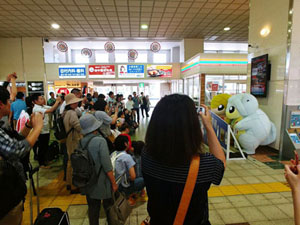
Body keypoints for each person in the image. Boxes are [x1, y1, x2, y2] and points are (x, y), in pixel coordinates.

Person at [142, 94, 226, 225]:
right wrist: (208, 126)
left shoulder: (146, 155)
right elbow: (221, 164)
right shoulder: (203, 164)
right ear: (192, 126)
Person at [0, 85, 44, 225]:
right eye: (8, 101)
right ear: (1, 104)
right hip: (5, 195)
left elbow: (15, 140)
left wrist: (29, 126)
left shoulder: (3, 125)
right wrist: (37, 128)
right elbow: (17, 150)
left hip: (11, 191)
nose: (11, 104)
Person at [79, 114, 118, 225]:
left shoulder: (81, 142)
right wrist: (113, 183)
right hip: (102, 180)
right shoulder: (100, 141)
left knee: (93, 208)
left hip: (88, 181)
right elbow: (107, 165)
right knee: (109, 206)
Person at [113, 135, 145, 206]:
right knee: (143, 180)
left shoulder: (113, 154)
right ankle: (127, 196)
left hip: (113, 185)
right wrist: (128, 179)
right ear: (125, 144)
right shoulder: (127, 157)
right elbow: (133, 176)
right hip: (121, 187)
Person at [32, 93, 61, 168]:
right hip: (41, 131)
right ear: (35, 101)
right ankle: (41, 163)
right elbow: (51, 110)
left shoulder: (42, 106)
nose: (43, 100)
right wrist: (57, 101)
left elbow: (52, 107)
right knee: (42, 147)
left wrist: (58, 102)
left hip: (46, 129)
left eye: (43, 98)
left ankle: (45, 160)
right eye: (41, 99)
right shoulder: (36, 108)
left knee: (45, 146)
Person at [63, 93, 82, 193]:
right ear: (70, 104)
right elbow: (77, 125)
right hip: (74, 139)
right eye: (74, 102)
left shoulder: (65, 112)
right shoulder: (72, 113)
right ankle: (74, 186)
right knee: (74, 161)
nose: (76, 103)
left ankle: (68, 182)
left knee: (70, 161)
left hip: (69, 139)